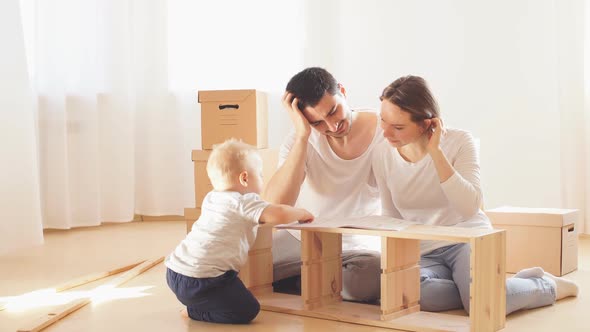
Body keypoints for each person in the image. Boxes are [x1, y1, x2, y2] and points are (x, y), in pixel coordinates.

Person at [372, 75, 579, 314]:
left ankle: (544, 284)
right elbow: (390, 215)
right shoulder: (382, 154)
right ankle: (495, 287)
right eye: (383, 121)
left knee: (479, 304)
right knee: (415, 293)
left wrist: (436, 153)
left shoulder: (460, 142)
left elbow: (470, 207)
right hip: (424, 250)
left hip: (467, 239)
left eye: (398, 127)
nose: (386, 133)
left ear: (427, 123)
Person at [263, 67, 385, 302]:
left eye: (333, 111)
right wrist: (302, 136)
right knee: (240, 265)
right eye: (317, 122)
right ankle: (318, 280)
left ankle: (303, 280)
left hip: (358, 246)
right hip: (303, 237)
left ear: (342, 91)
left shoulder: (384, 129)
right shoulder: (301, 139)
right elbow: (274, 205)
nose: (331, 126)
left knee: (365, 283)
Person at [165, 139, 314, 324]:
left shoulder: (212, 198)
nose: (261, 178)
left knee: (230, 288)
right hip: (205, 280)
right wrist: (301, 212)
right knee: (248, 310)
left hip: (175, 272)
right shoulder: (244, 201)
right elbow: (278, 213)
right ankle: (194, 311)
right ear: (244, 178)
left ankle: (198, 303)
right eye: (259, 175)